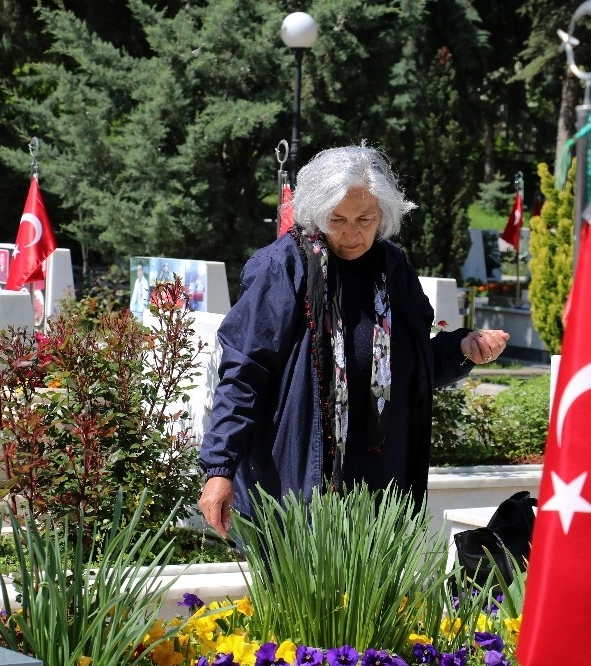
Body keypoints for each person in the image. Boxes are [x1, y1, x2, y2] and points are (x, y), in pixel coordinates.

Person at [198, 145, 510, 538]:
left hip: (379, 484)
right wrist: (219, 468)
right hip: (297, 477)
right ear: (315, 213)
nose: (351, 233)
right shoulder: (283, 266)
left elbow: (413, 367)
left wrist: (464, 349)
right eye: (337, 219)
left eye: (365, 218)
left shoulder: (392, 268)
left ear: (384, 215)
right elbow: (245, 371)